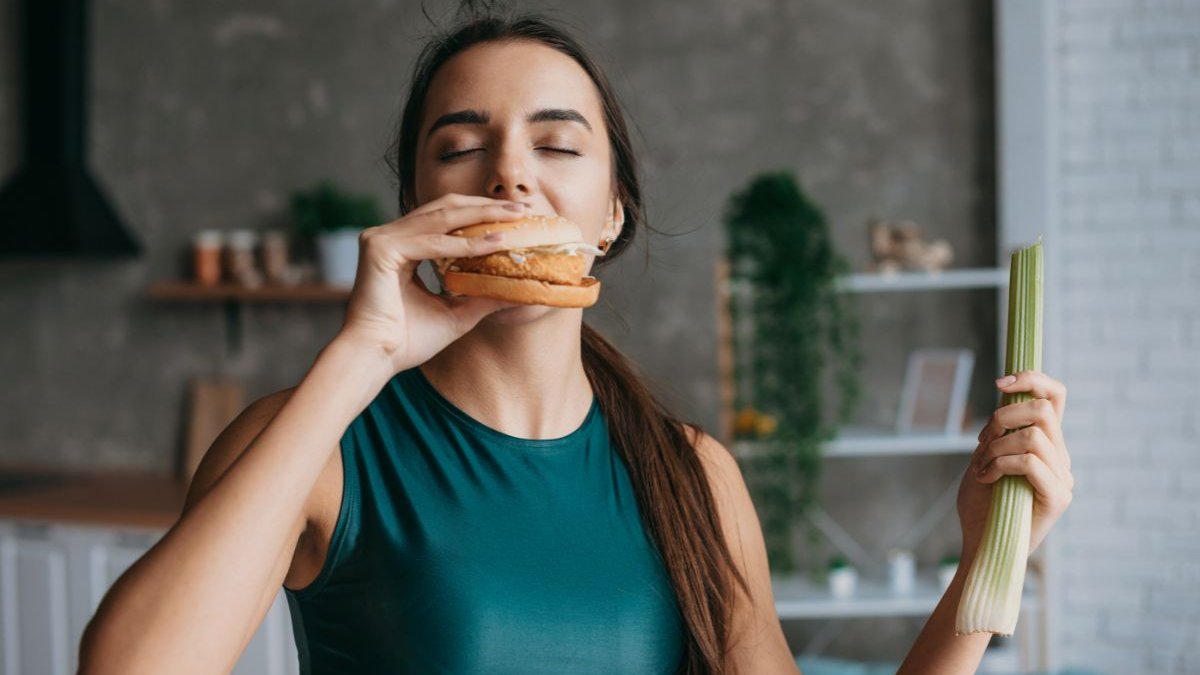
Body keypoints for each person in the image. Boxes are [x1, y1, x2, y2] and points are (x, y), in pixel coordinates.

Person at [78, 6, 1075, 675]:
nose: (510, 174)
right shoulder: (318, 446)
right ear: (419, 205)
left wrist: (985, 562)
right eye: (459, 145)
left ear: (610, 214)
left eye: (557, 144)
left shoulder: (691, 474)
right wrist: (360, 355)